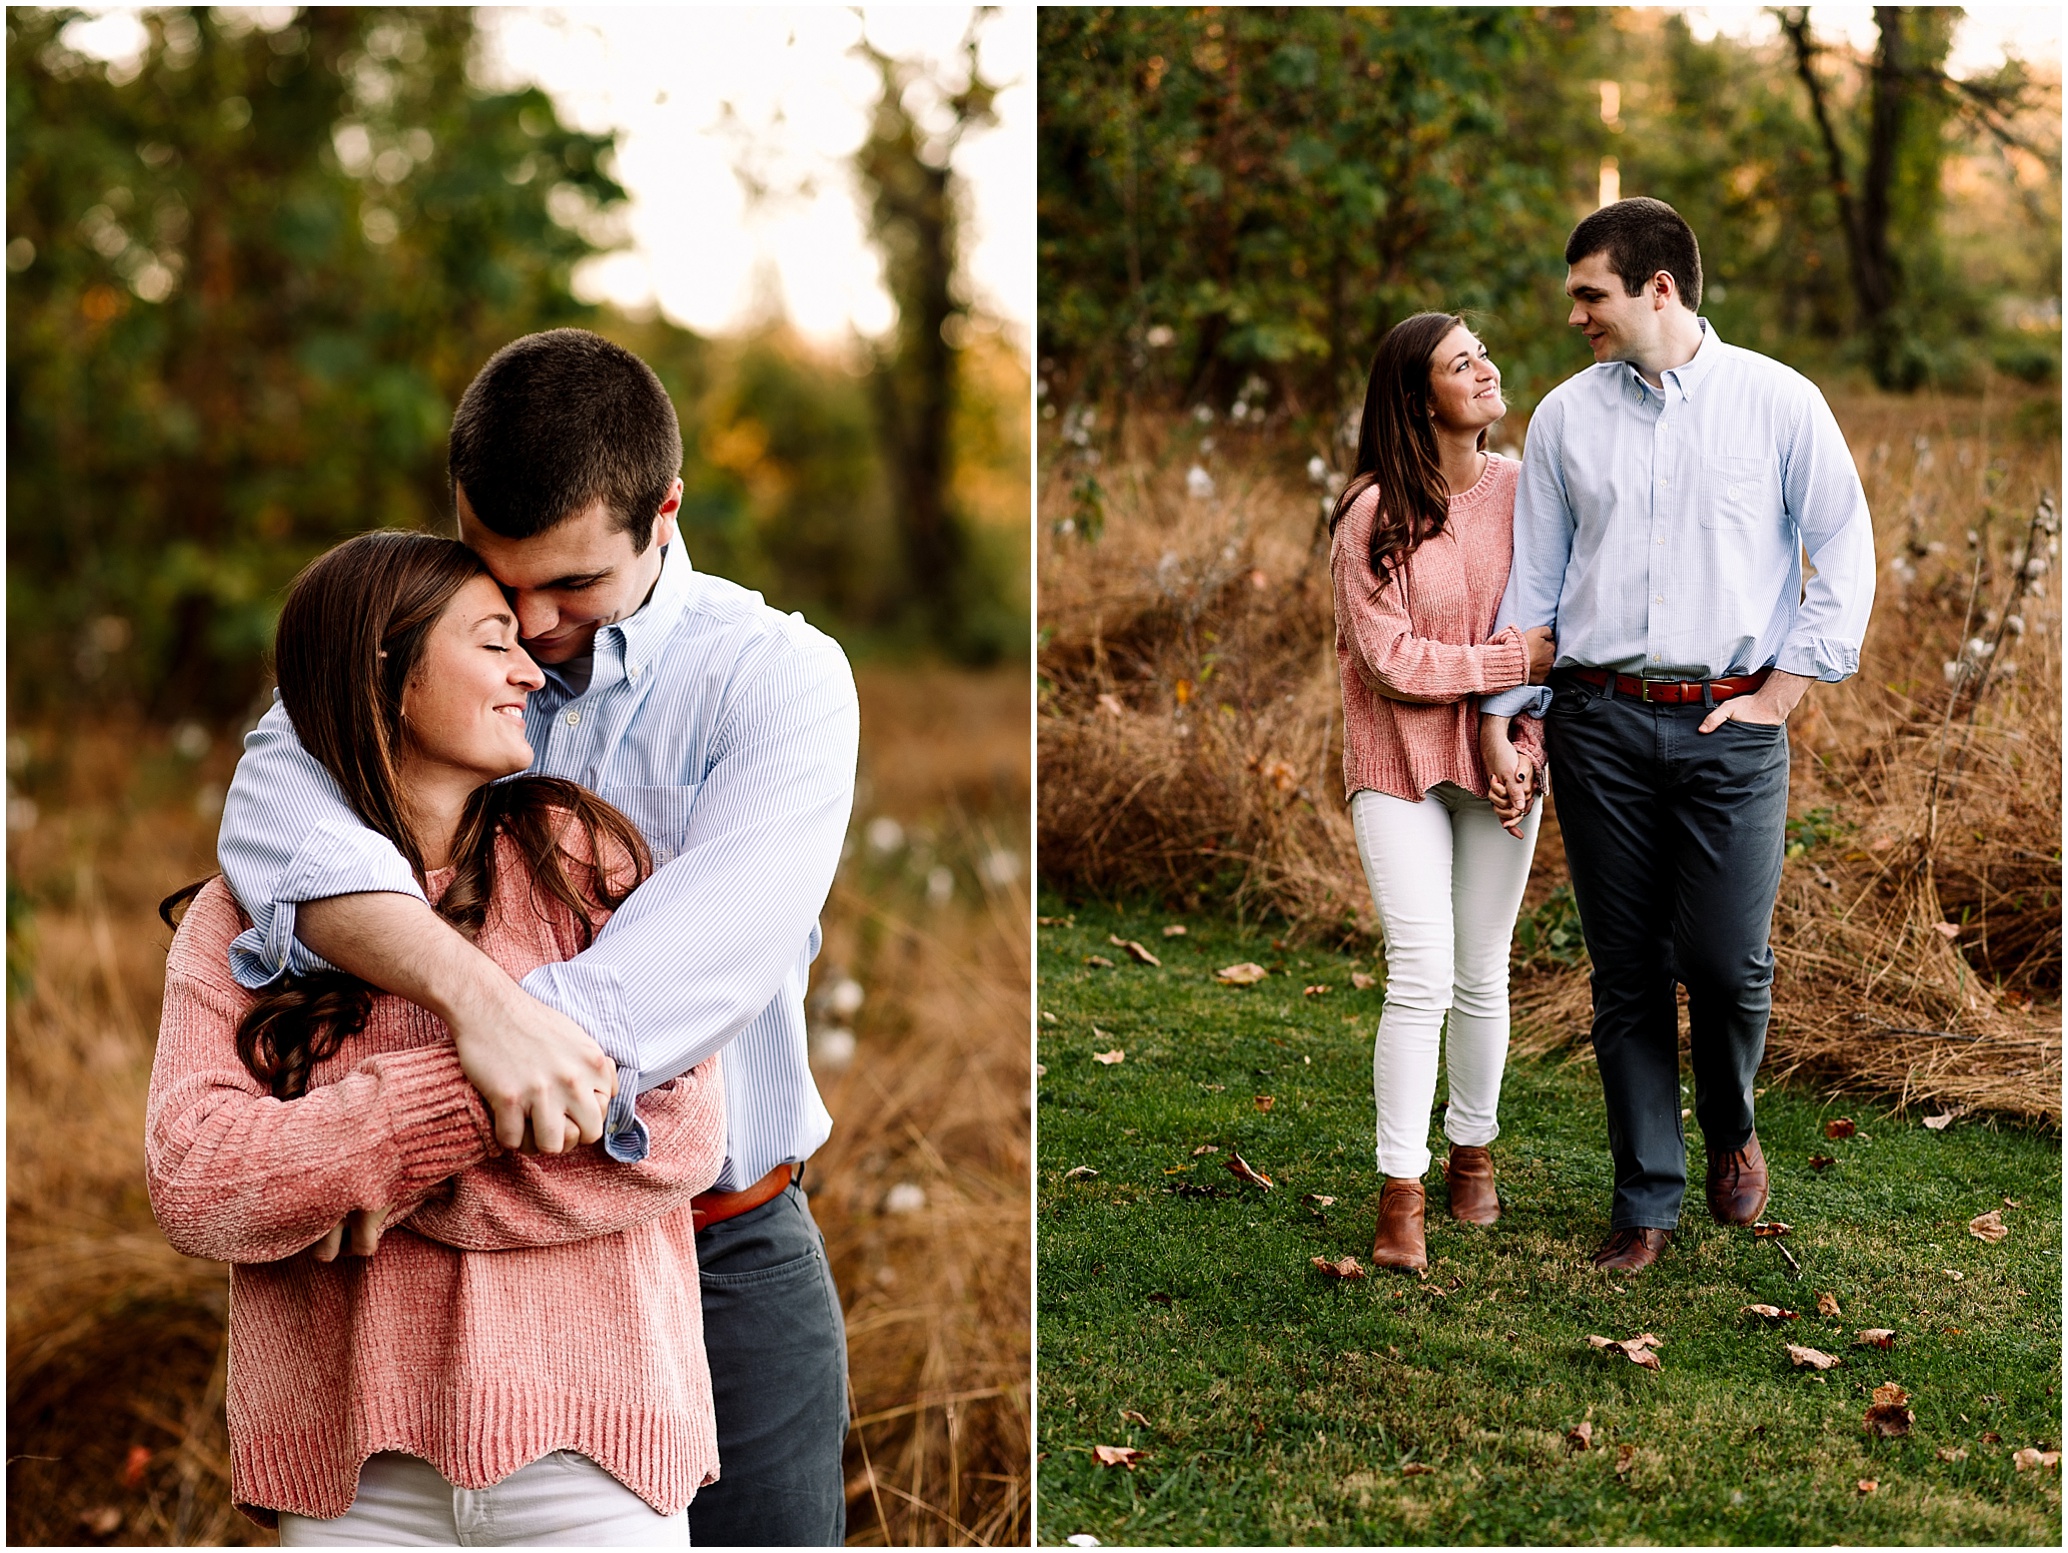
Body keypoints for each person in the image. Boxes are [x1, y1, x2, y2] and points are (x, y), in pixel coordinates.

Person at [215, 330, 860, 1544]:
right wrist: (479, 1004)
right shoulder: (396, 653)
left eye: (571, 586)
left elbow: (666, 995)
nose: (529, 619)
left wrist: (381, 1147)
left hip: (724, 1245)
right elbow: (272, 834)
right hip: (432, 1280)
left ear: (664, 512)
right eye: (498, 576)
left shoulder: (777, 682)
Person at [150, 532, 725, 1544]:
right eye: (492, 639)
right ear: (389, 676)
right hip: (351, 1478)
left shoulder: (587, 862)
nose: (529, 666)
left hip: (595, 1458)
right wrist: (471, 1096)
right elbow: (195, 1179)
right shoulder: (242, 914)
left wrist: (346, 1172)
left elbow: (675, 1134)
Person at [1479, 198, 1874, 1273]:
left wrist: (1784, 691)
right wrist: (1509, 717)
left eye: (1588, 294)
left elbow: (1844, 550)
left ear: (1658, 287)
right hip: (1600, 721)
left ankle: (1732, 1123)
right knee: (1625, 974)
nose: (1576, 318)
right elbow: (1536, 580)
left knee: (1725, 960)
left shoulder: (1778, 402)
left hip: (1731, 722)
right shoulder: (1564, 417)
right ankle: (1644, 1199)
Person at [1327, 311, 1557, 1274]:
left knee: (1482, 970)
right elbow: (1390, 662)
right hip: (1397, 767)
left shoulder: (1525, 494)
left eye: (1485, 354)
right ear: (1420, 397)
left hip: (1506, 765)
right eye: (1463, 363)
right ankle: (1401, 1192)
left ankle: (1473, 1153)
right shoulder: (1371, 513)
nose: (1488, 369)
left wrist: (1527, 745)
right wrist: (1508, 661)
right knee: (1418, 973)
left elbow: (1560, 637)